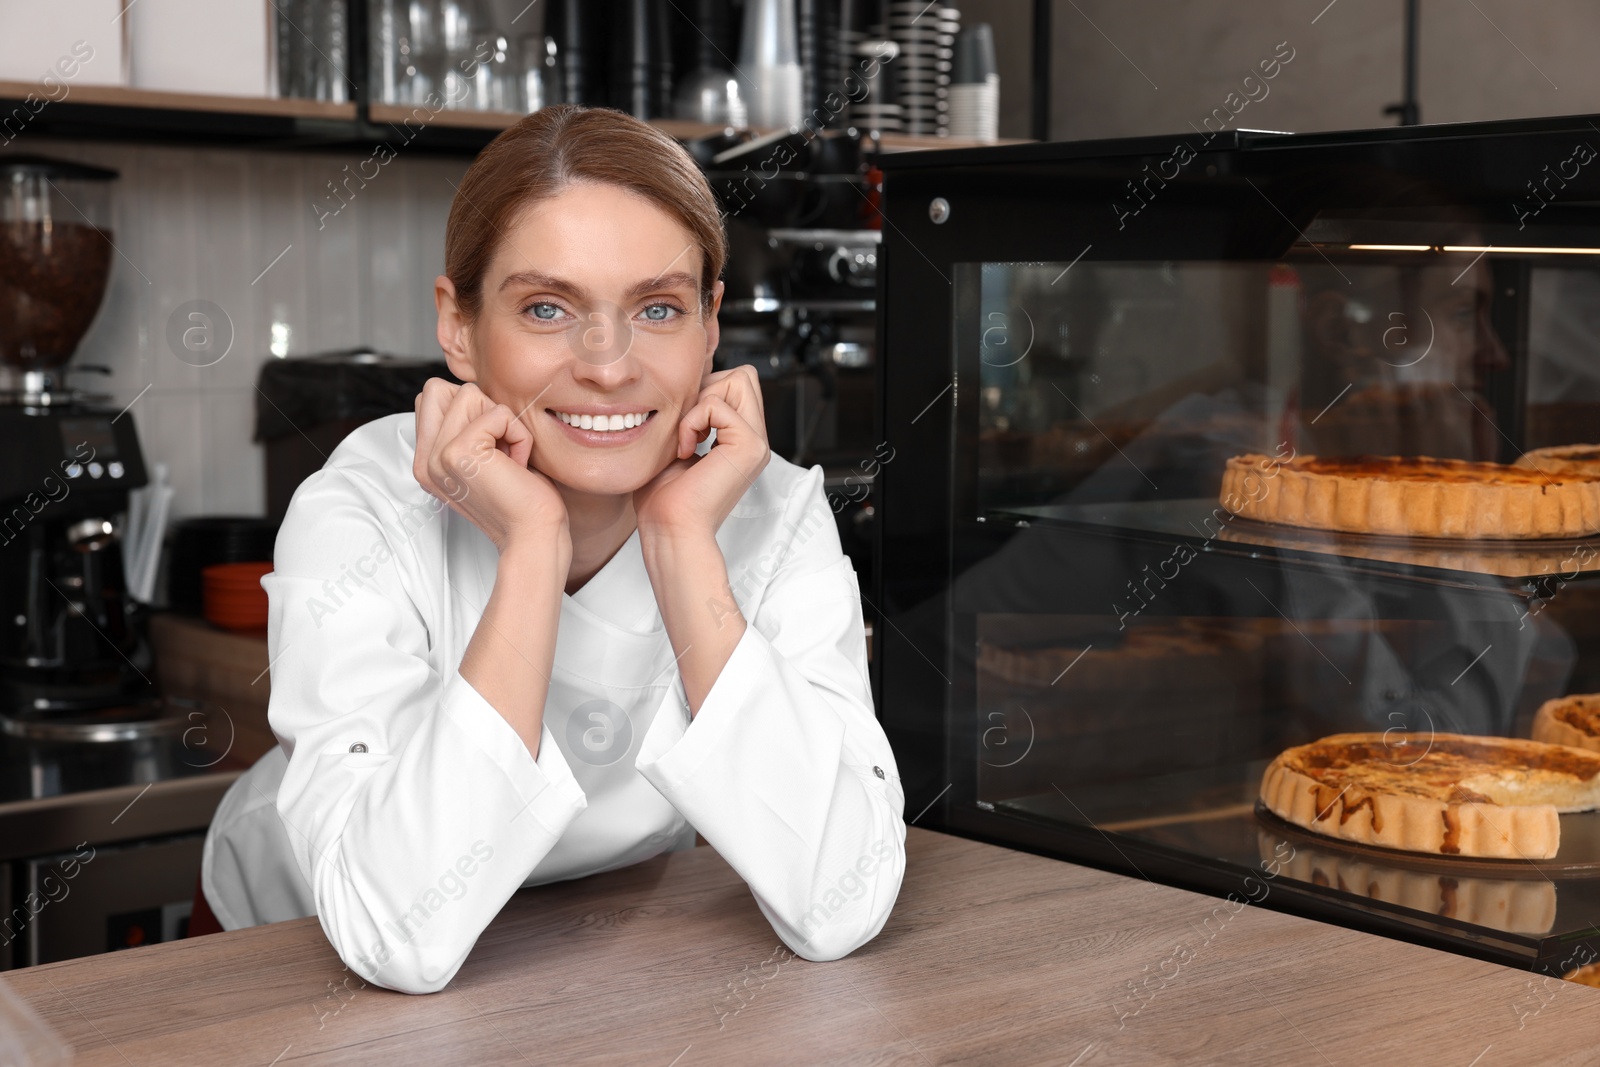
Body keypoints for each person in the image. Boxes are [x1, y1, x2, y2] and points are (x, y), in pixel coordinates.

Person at [199, 105, 906, 995]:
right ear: (457, 326)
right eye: (546, 307)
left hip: (582, 938)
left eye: (656, 308)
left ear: (712, 322)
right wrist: (533, 544)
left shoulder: (775, 510)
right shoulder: (361, 510)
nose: (607, 364)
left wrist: (682, 543)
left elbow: (843, 896)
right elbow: (396, 937)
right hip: (292, 942)